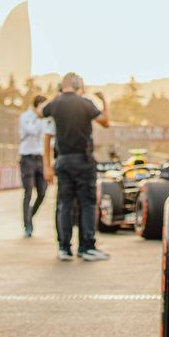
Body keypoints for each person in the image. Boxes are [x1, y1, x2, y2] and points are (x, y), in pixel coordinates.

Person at [41, 73, 110, 260]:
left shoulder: (55, 104)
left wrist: (57, 95)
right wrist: (104, 101)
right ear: (78, 84)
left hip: (62, 160)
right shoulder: (85, 103)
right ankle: (87, 247)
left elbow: (40, 111)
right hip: (83, 160)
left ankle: (64, 248)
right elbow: (105, 122)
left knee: (64, 204)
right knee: (87, 203)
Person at [18, 93, 49, 236]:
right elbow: (33, 131)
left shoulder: (46, 119)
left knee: (42, 192)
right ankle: (27, 226)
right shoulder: (26, 117)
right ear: (36, 106)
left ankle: (29, 215)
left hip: (40, 158)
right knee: (28, 192)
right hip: (27, 158)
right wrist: (39, 118)